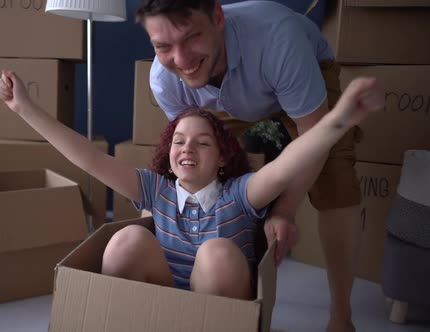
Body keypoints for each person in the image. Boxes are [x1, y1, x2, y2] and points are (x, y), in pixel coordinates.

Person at [0, 69, 382, 302]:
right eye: (179, 141)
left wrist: (339, 120)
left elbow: (290, 162)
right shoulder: (156, 190)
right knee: (125, 239)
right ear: (168, 151)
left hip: (219, 306)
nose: (187, 148)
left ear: (221, 158)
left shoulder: (241, 192)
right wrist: (26, 109)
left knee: (216, 252)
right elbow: (88, 158)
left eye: (202, 142)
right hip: (161, 298)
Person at [136, 1, 362, 330]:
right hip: (221, 98)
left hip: (293, 72)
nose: (181, 60)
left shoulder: (279, 41)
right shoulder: (165, 78)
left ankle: (341, 316)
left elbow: (316, 138)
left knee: (335, 180)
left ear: (217, 17)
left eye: (192, 37)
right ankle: (228, 279)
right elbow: (194, 167)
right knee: (213, 166)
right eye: (163, 46)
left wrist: (284, 210)